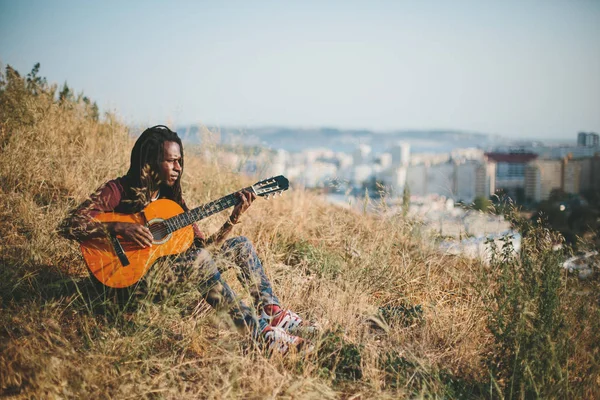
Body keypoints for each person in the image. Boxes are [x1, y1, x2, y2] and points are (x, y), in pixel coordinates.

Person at [60, 125, 310, 355]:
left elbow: (205, 249)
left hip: (170, 280)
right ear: (150, 162)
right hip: (126, 286)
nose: (179, 167)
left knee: (240, 245)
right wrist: (120, 227)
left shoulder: (172, 203)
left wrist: (233, 218)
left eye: (180, 161)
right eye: (172, 161)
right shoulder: (119, 189)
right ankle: (259, 334)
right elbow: (71, 224)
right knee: (196, 261)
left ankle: (272, 312)